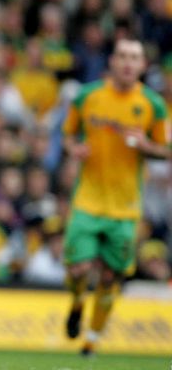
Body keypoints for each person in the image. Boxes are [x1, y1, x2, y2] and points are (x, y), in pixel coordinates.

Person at [61, 38, 171, 355]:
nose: (127, 62)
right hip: (88, 200)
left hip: (125, 208)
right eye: (122, 56)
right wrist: (75, 149)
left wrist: (145, 145)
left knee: (110, 277)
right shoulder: (88, 97)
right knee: (78, 268)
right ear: (112, 61)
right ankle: (78, 301)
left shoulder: (153, 106)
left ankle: (91, 341)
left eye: (134, 57)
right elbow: (68, 135)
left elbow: (165, 151)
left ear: (142, 66)